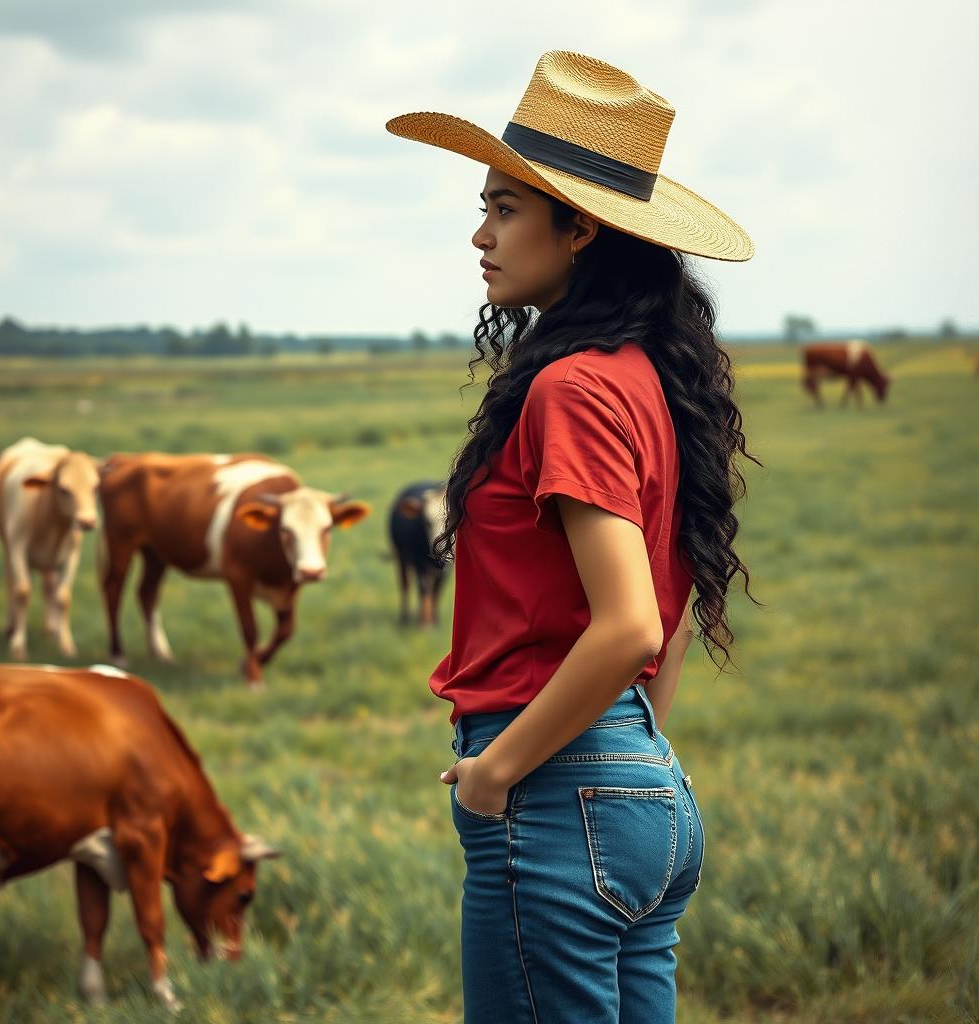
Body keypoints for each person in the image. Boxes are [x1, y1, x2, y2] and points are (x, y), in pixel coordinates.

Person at [386, 50, 758, 1024]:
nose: (480, 234)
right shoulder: (648, 379)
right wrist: (630, 756)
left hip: (552, 788)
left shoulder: (573, 386)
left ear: (579, 226)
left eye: (506, 208)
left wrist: (497, 771)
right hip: (643, 790)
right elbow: (673, 614)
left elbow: (631, 623)